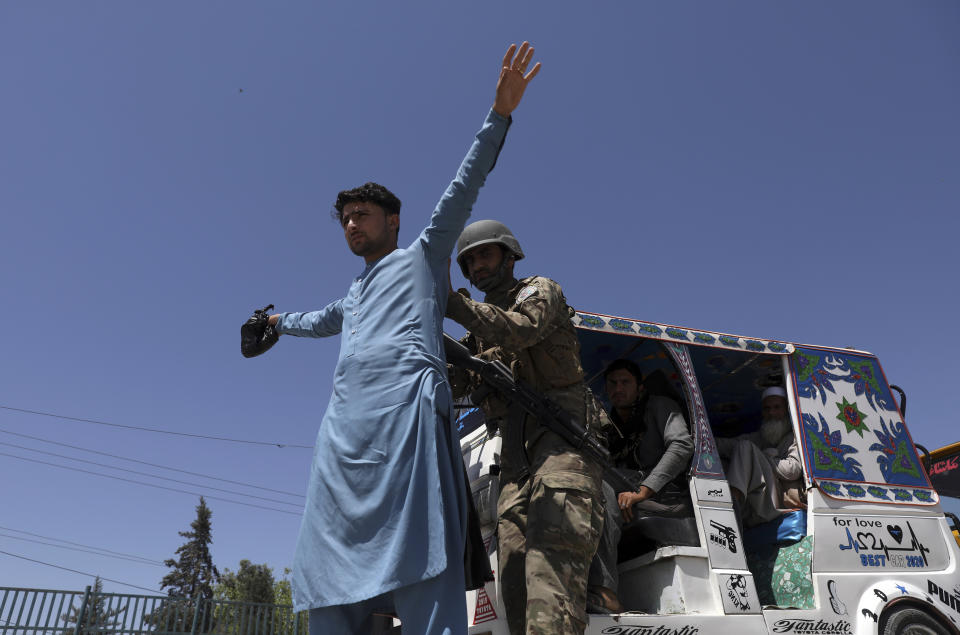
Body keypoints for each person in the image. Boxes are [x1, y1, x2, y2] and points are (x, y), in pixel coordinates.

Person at [262, 43, 541, 635]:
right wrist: (275, 324)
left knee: (422, 561)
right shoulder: (355, 294)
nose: (351, 224)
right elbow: (316, 321)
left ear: (392, 220)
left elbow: (464, 187)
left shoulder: (421, 257)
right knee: (325, 567)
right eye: (344, 218)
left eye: (361, 214)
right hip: (342, 439)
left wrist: (499, 116)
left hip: (406, 427)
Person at [445, 221, 604, 635]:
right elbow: (452, 379)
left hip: (563, 444)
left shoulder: (539, 291)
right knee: (514, 595)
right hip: (516, 462)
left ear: (509, 256)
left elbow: (520, 329)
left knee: (551, 591)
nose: (477, 265)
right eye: (469, 260)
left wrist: (451, 303)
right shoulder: (474, 335)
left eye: (485, 254)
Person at [586, 359, 694, 613]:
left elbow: (682, 445)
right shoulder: (610, 427)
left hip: (666, 493)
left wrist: (643, 491)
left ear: (639, 386)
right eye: (612, 383)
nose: (618, 388)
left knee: (599, 483)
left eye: (625, 382)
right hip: (627, 489)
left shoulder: (659, 406)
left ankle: (605, 590)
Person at [715, 386, 804, 528]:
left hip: (775, 502)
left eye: (777, 407)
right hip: (753, 504)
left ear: (786, 409)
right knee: (724, 460)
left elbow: (793, 470)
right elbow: (727, 445)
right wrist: (700, 438)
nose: (772, 413)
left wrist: (762, 457)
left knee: (745, 447)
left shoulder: (794, 436)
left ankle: (731, 508)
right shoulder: (760, 437)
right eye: (767, 409)